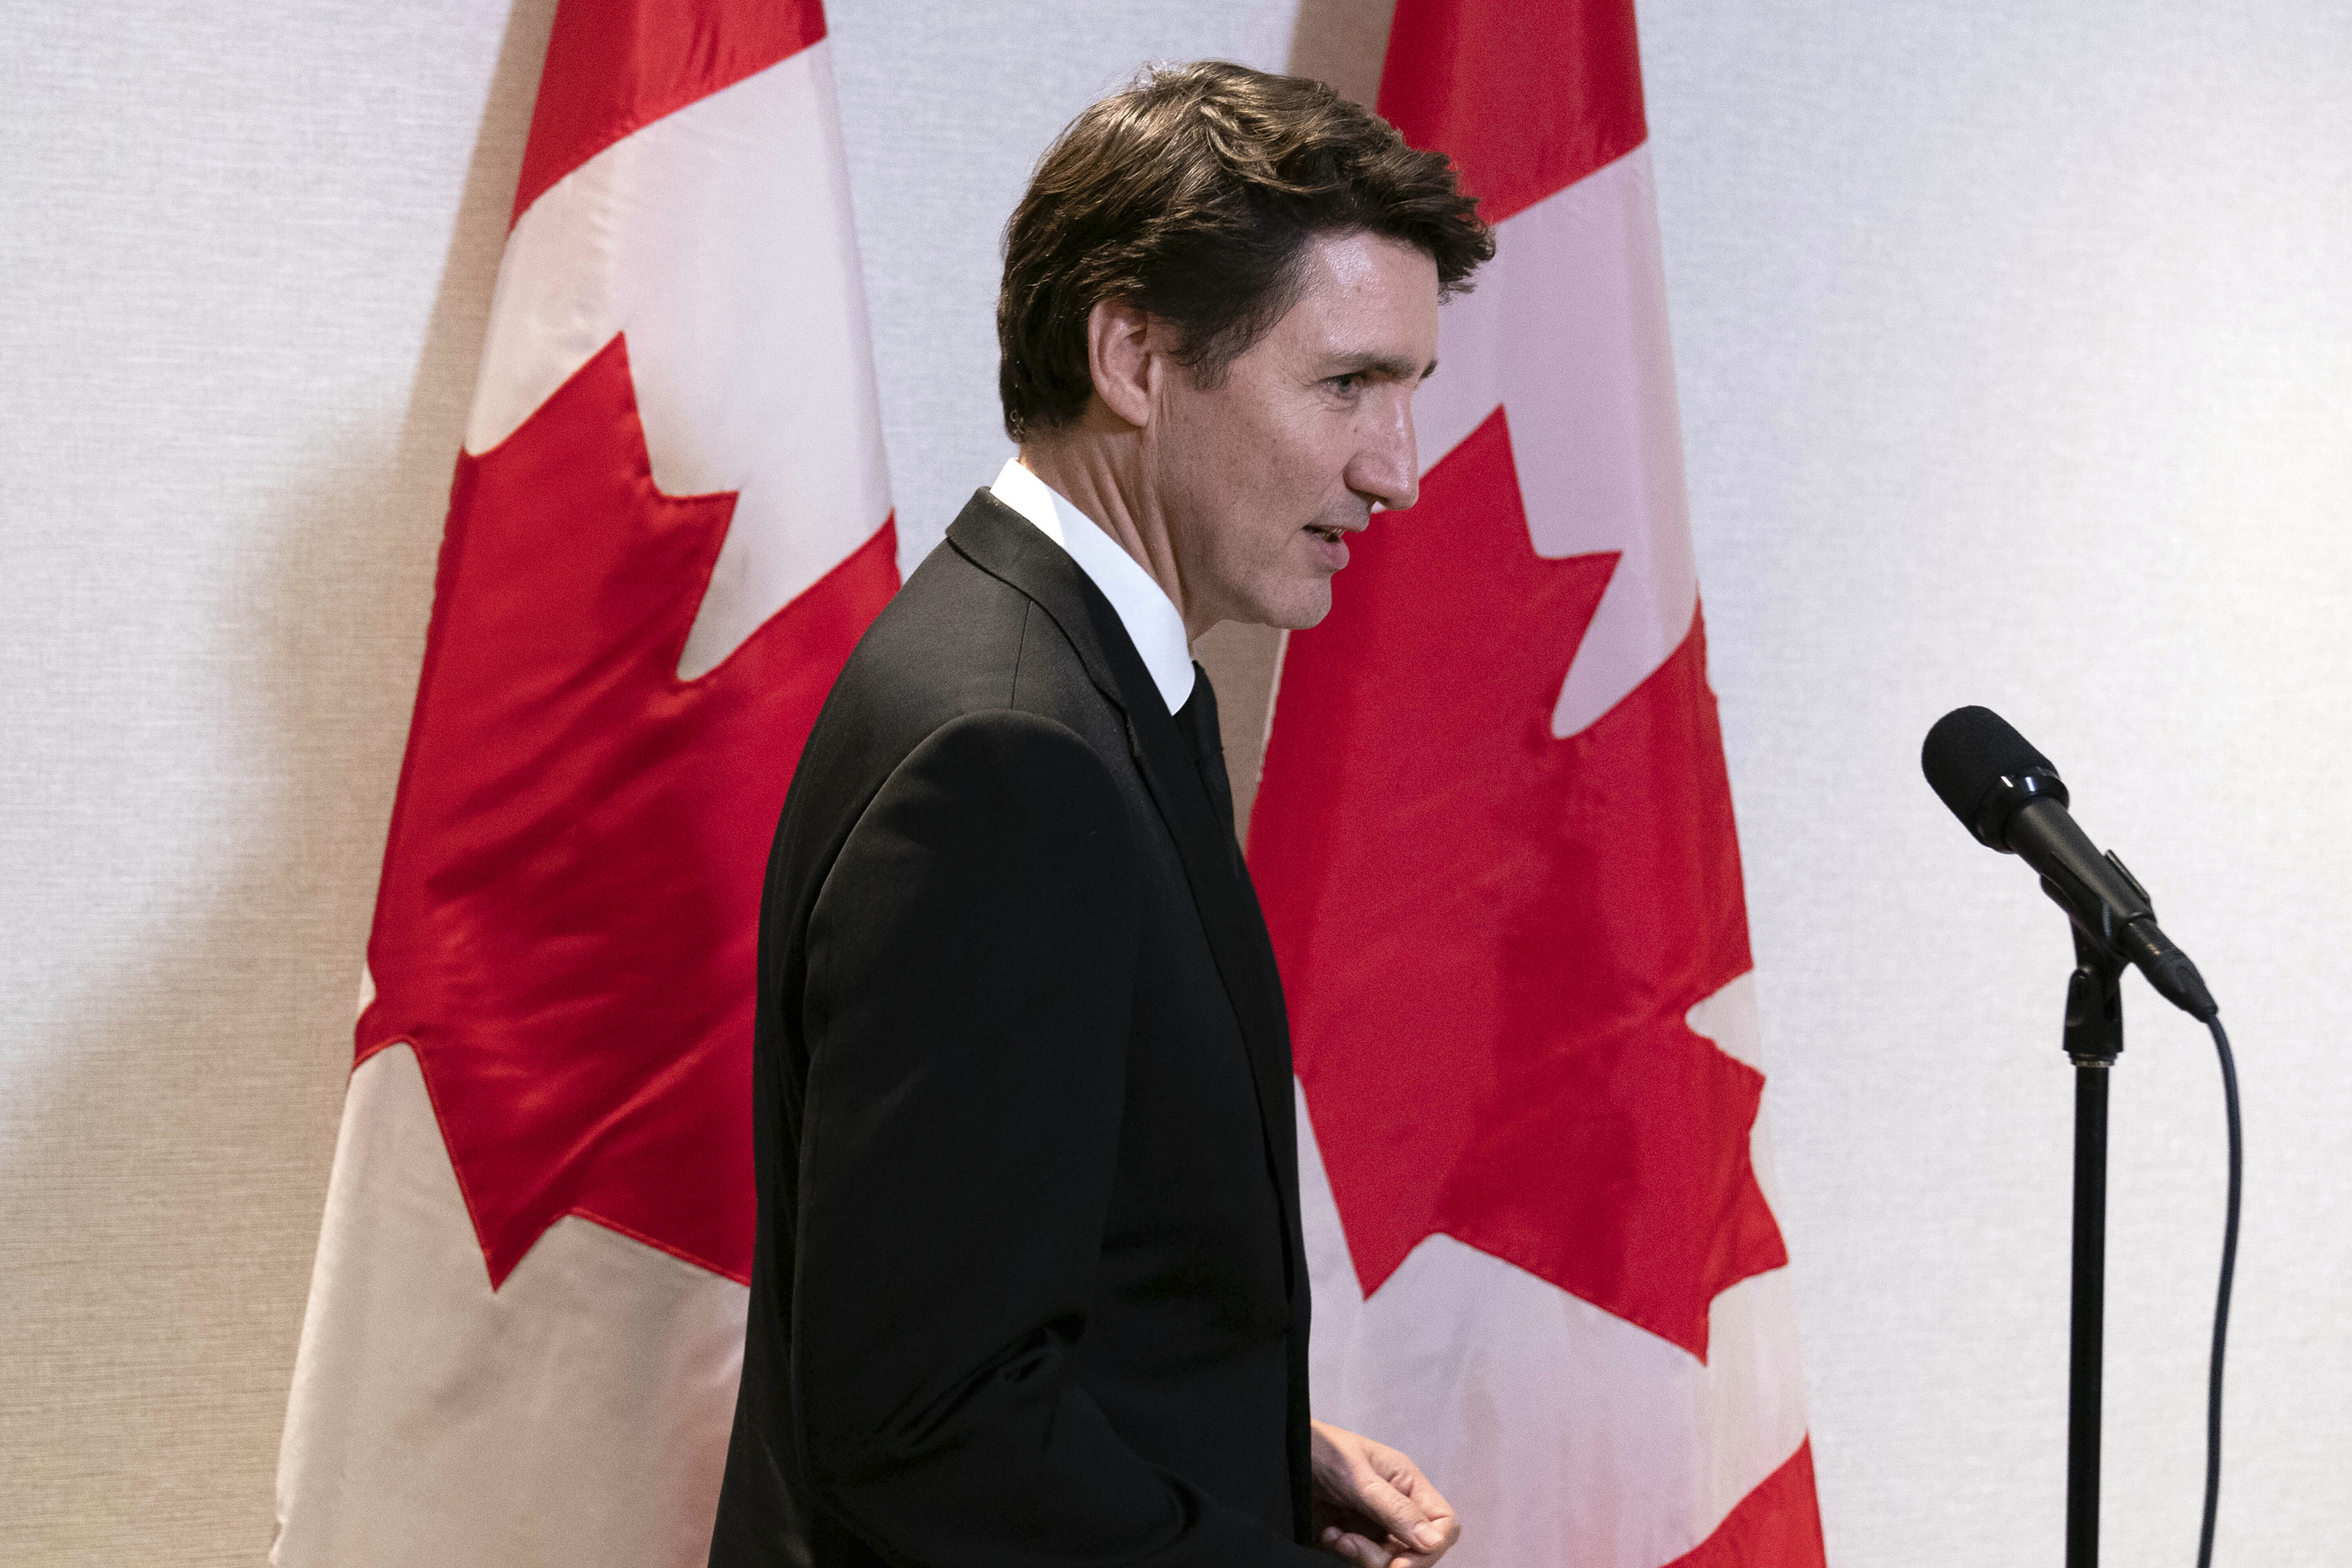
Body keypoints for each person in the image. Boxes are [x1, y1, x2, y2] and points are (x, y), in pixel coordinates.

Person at [708, 60, 1493, 1568]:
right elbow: (931, 1426)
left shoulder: (1073, 674)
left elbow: (1029, 1289)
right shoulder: (1010, 751)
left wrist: (1261, 1453)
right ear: (1134, 354)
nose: (1397, 470)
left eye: (1411, 391)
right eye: (1346, 385)